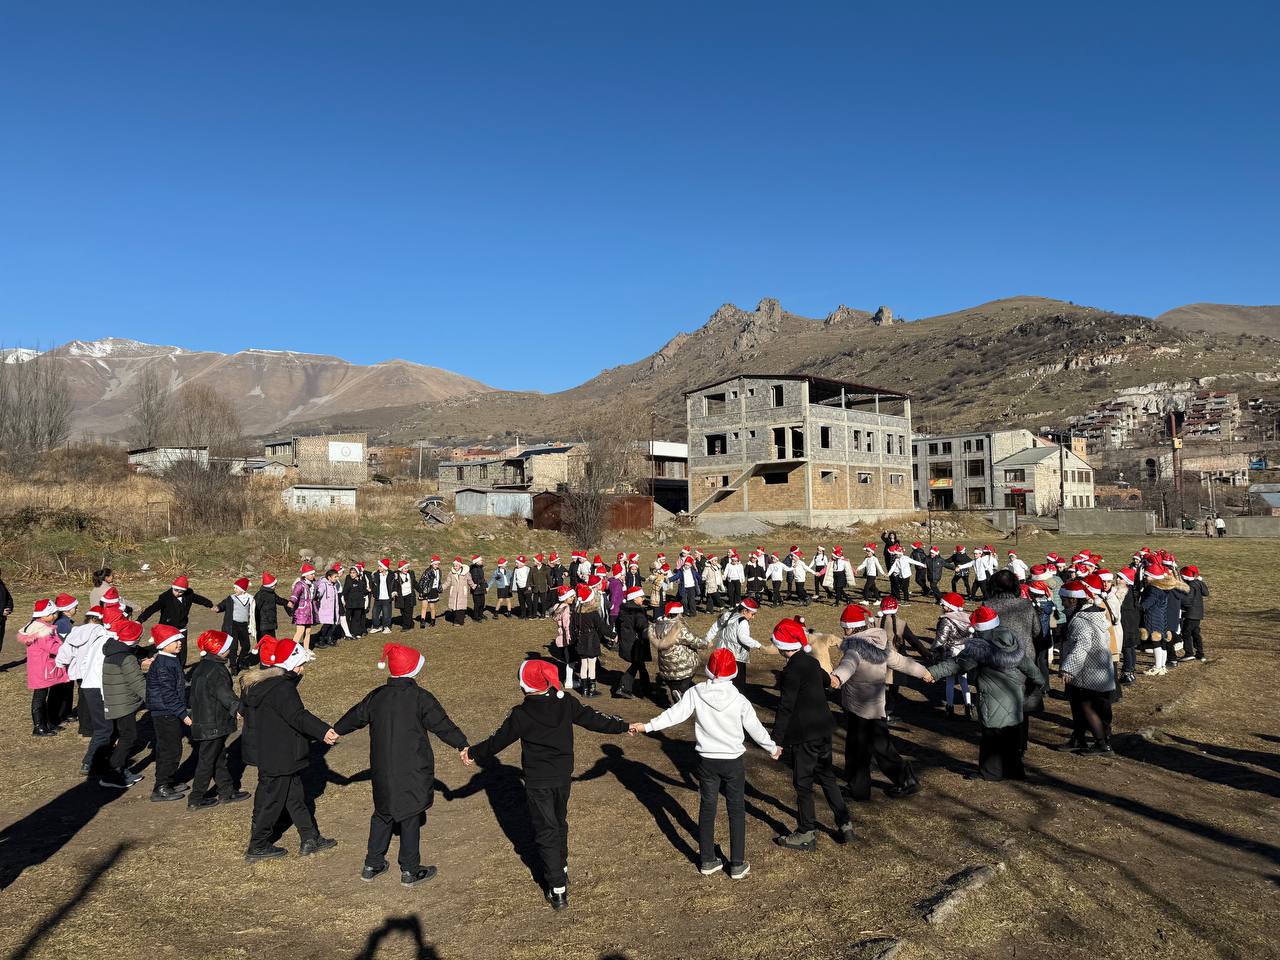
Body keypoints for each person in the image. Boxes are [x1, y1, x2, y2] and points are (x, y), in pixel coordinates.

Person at [463, 658, 629, 910]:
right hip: (562, 777)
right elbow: (593, 718)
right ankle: (561, 866)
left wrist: (473, 753)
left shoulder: (521, 714)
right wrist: (622, 726)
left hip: (538, 781)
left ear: (524, 686)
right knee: (559, 822)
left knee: (546, 830)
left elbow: (497, 740)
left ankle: (557, 886)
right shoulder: (565, 703)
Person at [631, 647, 781, 880]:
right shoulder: (739, 699)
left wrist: (647, 726)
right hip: (732, 762)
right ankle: (737, 863)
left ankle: (708, 860)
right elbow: (755, 727)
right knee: (736, 809)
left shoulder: (696, 693)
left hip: (707, 762)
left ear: (709, 670)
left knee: (708, 807)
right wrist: (772, 747)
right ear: (733, 672)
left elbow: (674, 715)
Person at [335, 643, 469, 887]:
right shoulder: (421, 698)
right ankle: (410, 869)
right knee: (410, 815)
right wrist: (461, 744)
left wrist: (336, 730)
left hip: (382, 768)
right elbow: (442, 724)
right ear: (413, 670)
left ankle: (372, 864)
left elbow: (356, 715)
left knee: (382, 813)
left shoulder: (377, 696)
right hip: (412, 768)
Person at [239, 636, 339, 861]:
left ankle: (310, 838)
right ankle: (258, 845)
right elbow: (298, 716)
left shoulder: (265, 683)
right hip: (280, 755)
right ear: (292, 664)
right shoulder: (282, 688)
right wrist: (323, 731)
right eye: (301, 664)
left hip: (276, 752)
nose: (303, 669)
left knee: (295, 798)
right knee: (271, 801)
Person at [830, 604, 933, 800]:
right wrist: (924, 672)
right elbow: (902, 662)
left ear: (852, 628)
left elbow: (847, 666)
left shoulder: (854, 650)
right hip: (876, 707)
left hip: (858, 709)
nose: (843, 631)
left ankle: (860, 790)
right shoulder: (880, 646)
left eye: (844, 627)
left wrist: (836, 678)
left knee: (858, 750)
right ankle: (905, 779)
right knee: (880, 747)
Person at [930, 606, 1045, 780]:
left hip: (992, 697)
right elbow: (1027, 664)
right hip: (1013, 696)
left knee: (991, 738)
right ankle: (1015, 771)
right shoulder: (1011, 641)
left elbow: (957, 664)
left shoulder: (980, 647)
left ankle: (991, 772)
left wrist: (933, 672)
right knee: (1012, 736)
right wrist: (1040, 680)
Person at [769, 619, 853, 850]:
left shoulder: (791, 671)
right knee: (827, 776)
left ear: (783, 647)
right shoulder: (811, 662)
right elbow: (826, 680)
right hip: (824, 728)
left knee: (803, 783)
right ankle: (844, 823)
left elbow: (786, 707)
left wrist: (776, 741)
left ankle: (806, 831)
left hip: (805, 734)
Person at [187, 630, 250, 809]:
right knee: (207, 761)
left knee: (218, 758)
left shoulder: (202, 667)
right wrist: (238, 709)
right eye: (228, 647)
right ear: (219, 649)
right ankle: (196, 798)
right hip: (212, 723)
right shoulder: (217, 670)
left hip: (205, 721)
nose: (231, 650)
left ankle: (226, 791)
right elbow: (224, 694)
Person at [1057, 580, 1118, 754]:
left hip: (1087, 672)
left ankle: (1102, 744)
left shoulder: (1081, 621)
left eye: (1064, 599)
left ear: (1073, 600)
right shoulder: (1093, 615)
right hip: (1099, 670)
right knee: (1081, 706)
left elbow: (1081, 647)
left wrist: (1069, 669)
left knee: (1087, 707)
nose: (1062, 603)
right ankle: (1079, 738)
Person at [57, 605, 110, 771]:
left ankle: (85, 727)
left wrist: (61, 662)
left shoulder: (76, 631)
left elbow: (67, 649)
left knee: (82, 697)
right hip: (92, 671)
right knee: (92, 701)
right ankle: (91, 727)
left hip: (79, 670)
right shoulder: (101, 632)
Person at [99, 619, 149, 789]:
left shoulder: (113, 652)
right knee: (129, 736)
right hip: (123, 704)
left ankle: (120, 769)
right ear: (135, 637)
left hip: (115, 700)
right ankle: (113, 773)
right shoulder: (127, 657)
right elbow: (138, 683)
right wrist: (153, 700)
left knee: (120, 735)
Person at [146, 624, 192, 802]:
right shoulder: (164, 664)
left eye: (179, 640)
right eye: (175, 641)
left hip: (168, 711)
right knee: (170, 750)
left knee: (171, 747)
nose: (180, 643)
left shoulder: (170, 659)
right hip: (165, 713)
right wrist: (183, 714)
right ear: (164, 644)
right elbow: (168, 694)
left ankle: (169, 781)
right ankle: (161, 786)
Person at [138, 575, 213, 665]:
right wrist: (140, 620)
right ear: (172, 587)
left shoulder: (189, 594)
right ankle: (163, 664)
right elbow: (152, 608)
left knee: (182, 650)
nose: (177, 593)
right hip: (168, 628)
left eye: (181, 592)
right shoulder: (165, 597)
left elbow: (199, 599)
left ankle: (181, 667)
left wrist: (210, 605)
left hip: (181, 627)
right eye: (176, 590)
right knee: (167, 649)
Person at [650, 600, 710, 706]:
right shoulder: (678, 628)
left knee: (673, 681)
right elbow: (693, 640)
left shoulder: (657, 626)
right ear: (677, 614)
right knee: (686, 677)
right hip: (681, 661)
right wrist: (706, 644)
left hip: (665, 663)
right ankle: (682, 692)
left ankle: (676, 692)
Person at [21, 599, 67, 737]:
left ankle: (47, 723)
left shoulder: (41, 626)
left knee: (43, 694)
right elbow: (51, 647)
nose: (55, 616)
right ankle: (39, 726)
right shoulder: (41, 630)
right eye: (53, 614)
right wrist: (66, 649)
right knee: (40, 696)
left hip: (43, 665)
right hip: (42, 667)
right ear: (44, 615)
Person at [709, 596, 761, 696]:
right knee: (738, 683)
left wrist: (708, 639)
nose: (753, 617)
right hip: (736, 656)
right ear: (745, 611)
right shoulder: (743, 621)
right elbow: (743, 638)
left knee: (721, 678)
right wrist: (759, 645)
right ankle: (737, 699)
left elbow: (715, 627)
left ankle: (719, 696)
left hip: (722, 653)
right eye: (752, 614)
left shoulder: (727, 615)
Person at [934, 593, 973, 720]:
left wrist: (935, 653)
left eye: (944, 605)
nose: (942, 606)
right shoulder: (967, 619)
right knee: (964, 680)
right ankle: (968, 707)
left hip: (950, 653)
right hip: (964, 652)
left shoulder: (946, 620)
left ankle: (950, 708)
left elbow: (940, 640)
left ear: (950, 606)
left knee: (950, 681)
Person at [613, 586, 651, 699]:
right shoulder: (638, 612)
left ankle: (646, 688)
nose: (643, 599)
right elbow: (642, 625)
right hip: (636, 644)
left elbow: (618, 624)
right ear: (634, 598)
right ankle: (623, 687)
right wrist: (649, 632)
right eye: (641, 597)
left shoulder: (624, 609)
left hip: (627, 642)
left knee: (640, 665)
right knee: (637, 664)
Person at [570, 583, 605, 698]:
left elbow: (572, 628)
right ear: (590, 600)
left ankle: (584, 690)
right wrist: (613, 635)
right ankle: (592, 690)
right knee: (592, 664)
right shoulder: (593, 613)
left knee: (584, 664)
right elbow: (602, 627)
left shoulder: (576, 613)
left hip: (581, 640)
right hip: (591, 640)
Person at [216, 577, 257, 670]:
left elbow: (252, 612)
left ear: (243, 590)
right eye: (234, 588)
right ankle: (233, 666)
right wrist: (218, 607)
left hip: (244, 625)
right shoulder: (231, 598)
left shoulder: (250, 599)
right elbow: (223, 604)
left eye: (237, 588)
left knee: (246, 645)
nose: (234, 590)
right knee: (233, 647)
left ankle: (241, 662)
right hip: (233, 625)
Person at [254, 573, 289, 660]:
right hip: (262, 624)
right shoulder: (260, 595)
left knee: (272, 642)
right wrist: (255, 623)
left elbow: (279, 600)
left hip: (271, 623)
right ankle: (263, 659)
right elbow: (255, 609)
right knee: (263, 642)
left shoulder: (271, 593)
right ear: (270, 586)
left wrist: (287, 602)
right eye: (274, 585)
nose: (275, 586)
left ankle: (270, 657)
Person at [1178, 565, 1209, 662]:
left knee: (1186, 633)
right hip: (1198, 613)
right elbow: (1206, 593)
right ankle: (1200, 653)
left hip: (1190, 613)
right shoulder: (1199, 583)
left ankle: (1189, 653)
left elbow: (1188, 600)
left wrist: (1180, 604)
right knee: (1195, 633)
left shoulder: (1190, 585)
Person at [287, 565, 320, 649]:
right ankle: (291, 649)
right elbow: (295, 594)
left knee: (308, 630)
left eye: (313, 574)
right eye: (311, 574)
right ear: (305, 575)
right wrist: (291, 601)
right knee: (300, 630)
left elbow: (315, 596)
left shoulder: (313, 584)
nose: (313, 576)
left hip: (310, 611)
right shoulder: (300, 584)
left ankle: (306, 649)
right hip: (301, 611)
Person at [310, 569, 343, 649]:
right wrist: (317, 593)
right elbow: (319, 594)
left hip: (333, 609)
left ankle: (328, 638)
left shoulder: (333, 585)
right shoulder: (324, 585)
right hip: (326, 609)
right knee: (327, 625)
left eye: (337, 576)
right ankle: (320, 640)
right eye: (335, 577)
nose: (337, 578)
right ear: (329, 577)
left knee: (332, 624)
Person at [445, 558, 470, 627]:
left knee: (461, 607)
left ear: (460, 565)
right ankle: (456, 620)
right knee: (454, 607)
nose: (455, 567)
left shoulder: (466, 573)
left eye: (456, 566)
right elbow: (447, 582)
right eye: (454, 566)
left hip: (462, 592)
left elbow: (470, 580)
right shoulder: (451, 573)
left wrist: (474, 586)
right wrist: (442, 588)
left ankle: (459, 621)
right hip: (454, 592)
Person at [528, 554, 550, 620]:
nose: (534, 562)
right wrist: (529, 585)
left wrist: (550, 584)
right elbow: (530, 578)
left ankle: (543, 614)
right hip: (535, 588)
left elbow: (548, 578)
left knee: (543, 602)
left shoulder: (546, 568)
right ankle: (534, 615)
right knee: (535, 602)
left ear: (539, 562)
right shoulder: (533, 569)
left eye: (535, 561)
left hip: (543, 588)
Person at [468, 555, 488, 622]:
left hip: (481, 588)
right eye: (481, 560)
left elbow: (482, 578)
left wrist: (485, 585)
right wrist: (482, 583)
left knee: (482, 602)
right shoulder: (474, 569)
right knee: (477, 603)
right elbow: (475, 579)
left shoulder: (480, 568)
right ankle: (475, 617)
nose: (482, 561)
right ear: (477, 562)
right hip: (476, 589)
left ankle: (480, 614)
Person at [0, 568, 11, 655]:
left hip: (1, 620)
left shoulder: (1, 584)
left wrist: (8, 608)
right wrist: (0, 611)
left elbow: (9, 598)